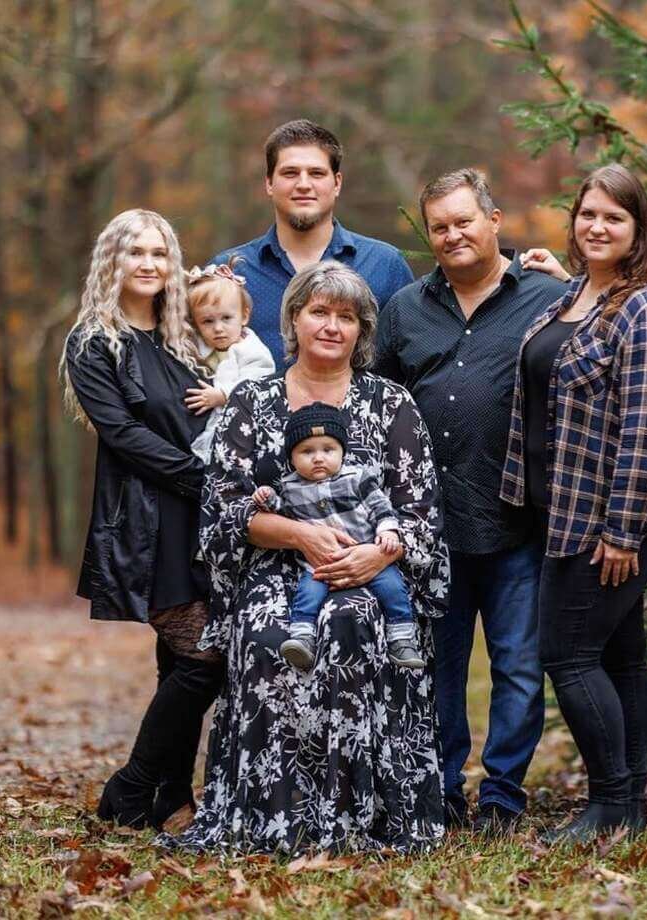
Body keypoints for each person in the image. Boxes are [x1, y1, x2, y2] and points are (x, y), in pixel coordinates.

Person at [375, 168, 647, 836]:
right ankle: (606, 805)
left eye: (466, 220)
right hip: (459, 519)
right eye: (439, 226)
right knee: (602, 658)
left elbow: (642, 404)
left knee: (550, 661)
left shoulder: (590, 298)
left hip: (558, 518)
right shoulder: (559, 296)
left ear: (494, 222)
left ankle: (551, 799)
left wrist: (629, 518)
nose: (454, 234)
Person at [160, 261, 449, 854]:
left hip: (376, 566)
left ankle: (362, 815)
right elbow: (226, 512)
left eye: (347, 316)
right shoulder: (251, 401)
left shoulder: (390, 404)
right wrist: (300, 535)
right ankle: (274, 811)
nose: (332, 326)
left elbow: (420, 509)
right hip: (275, 568)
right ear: (293, 318)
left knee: (357, 622)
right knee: (270, 635)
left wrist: (374, 557)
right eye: (319, 311)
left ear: (362, 330)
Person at [501, 164, 647, 843]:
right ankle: (631, 802)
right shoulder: (573, 296)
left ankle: (610, 803)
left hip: (614, 518)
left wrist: (622, 531)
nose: (598, 226)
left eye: (615, 218)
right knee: (621, 658)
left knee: (569, 655)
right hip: (566, 510)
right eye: (588, 214)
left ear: (638, 230)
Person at [61, 209, 223, 830]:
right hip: (149, 521)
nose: (150, 264)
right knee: (207, 656)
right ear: (114, 262)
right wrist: (200, 477)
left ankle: (171, 798)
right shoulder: (95, 342)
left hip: (206, 519)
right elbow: (123, 433)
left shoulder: (184, 334)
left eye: (161, 252)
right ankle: (129, 788)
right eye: (136, 252)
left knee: (175, 660)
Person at [209, 119, 415, 366]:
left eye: (316, 173)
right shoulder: (229, 270)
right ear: (269, 183)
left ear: (337, 183)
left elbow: (410, 363)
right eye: (290, 173)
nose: (303, 184)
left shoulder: (385, 265)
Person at [252, 401, 426, 671]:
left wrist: (387, 531)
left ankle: (402, 639)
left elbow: (381, 508)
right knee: (308, 594)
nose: (318, 458)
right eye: (306, 451)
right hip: (319, 565)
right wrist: (266, 499)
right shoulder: (290, 487)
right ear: (292, 458)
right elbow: (281, 513)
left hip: (366, 554)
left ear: (342, 452)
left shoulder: (357, 478)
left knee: (393, 587)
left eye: (328, 449)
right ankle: (302, 639)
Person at [184, 262, 275, 464]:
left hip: (243, 426)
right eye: (207, 321)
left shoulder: (253, 351)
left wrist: (223, 394)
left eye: (226, 318)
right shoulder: (199, 348)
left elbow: (256, 384)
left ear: (244, 316)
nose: (218, 328)